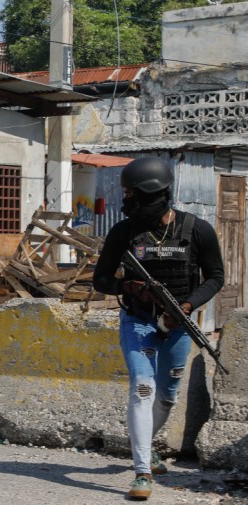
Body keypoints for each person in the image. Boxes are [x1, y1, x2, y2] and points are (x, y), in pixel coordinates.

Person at [93, 157, 224, 500]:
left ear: (154, 194)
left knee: (166, 395)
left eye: (132, 194)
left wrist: (187, 305)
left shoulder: (197, 230)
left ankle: (147, 447)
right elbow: (101, 279)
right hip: (138, 321)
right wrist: (130, 288)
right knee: (142, 389)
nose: (127, 201)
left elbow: (215, 277)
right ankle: (142, 473)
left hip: (179, 324)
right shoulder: (123, 231)